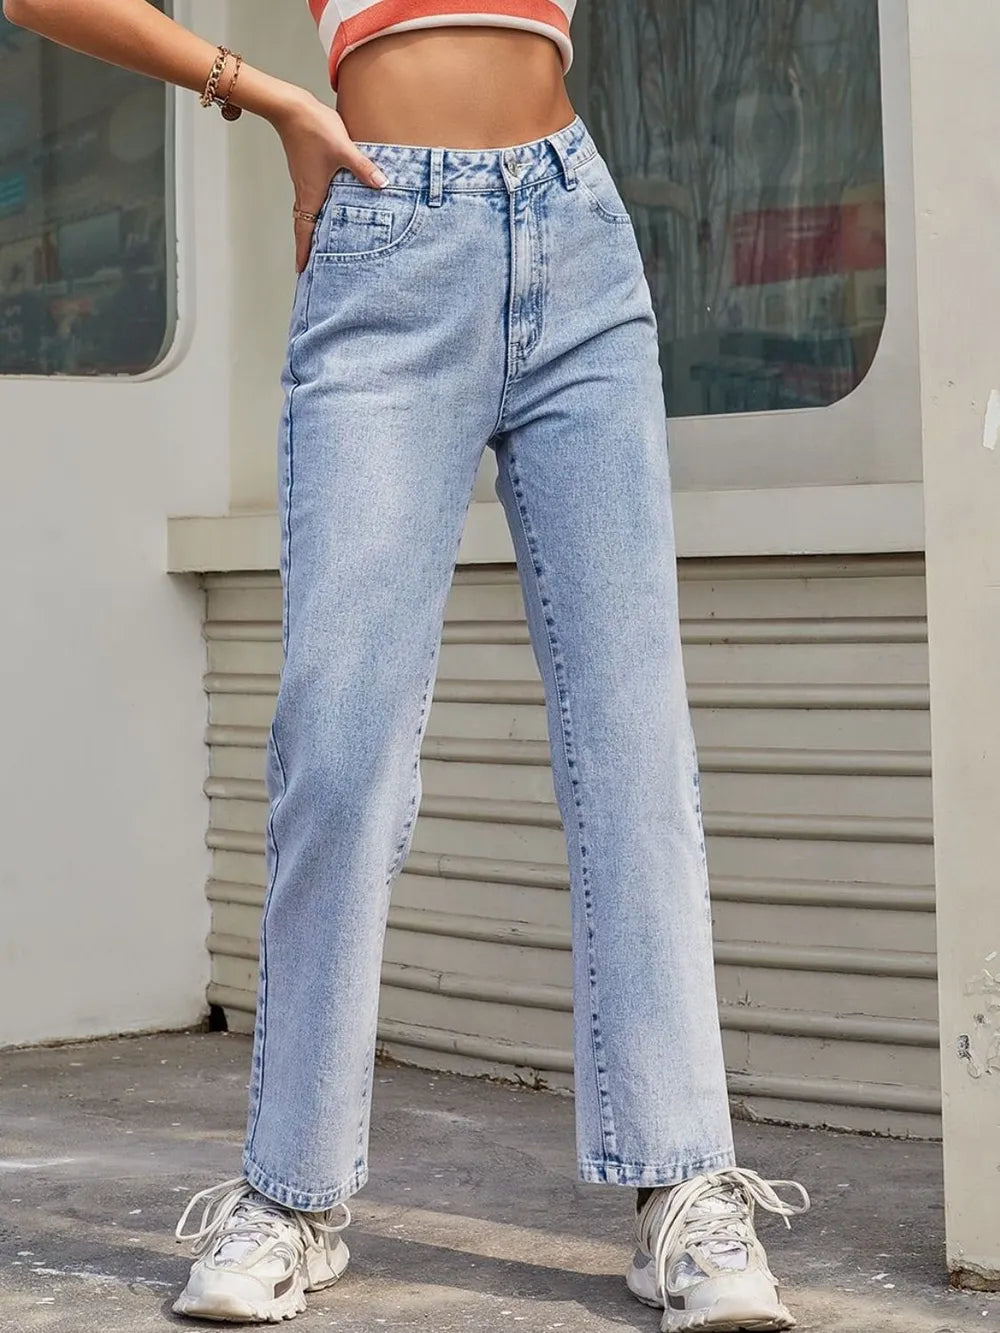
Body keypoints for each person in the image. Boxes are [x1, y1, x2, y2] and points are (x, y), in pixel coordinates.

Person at [4, 1, 810, 1327]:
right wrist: (257, 90)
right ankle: (292, 1194)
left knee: (636, 748)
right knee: (339, 746)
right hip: (385, 238)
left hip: (578, 236)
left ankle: (685, 1184)